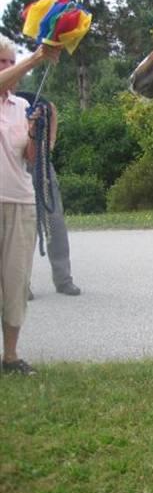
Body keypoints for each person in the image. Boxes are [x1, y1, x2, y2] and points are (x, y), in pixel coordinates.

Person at [0, 35, 61, 374]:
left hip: (20, 202)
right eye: (2, 63)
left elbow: (30, 158)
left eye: (11, 62)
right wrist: (37, 57)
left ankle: (10, 357)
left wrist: (36, 131)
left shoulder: (22, 106)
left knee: (16, 283)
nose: (8, 68)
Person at [15, 91, 81, 297]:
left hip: (41, 163)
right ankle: (21, 284)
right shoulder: (7, 105)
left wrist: (50, 142)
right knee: (24, 227)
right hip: (13, 167)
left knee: (55, 221)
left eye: (10, 63)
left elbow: (51, 108)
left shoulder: (32, 100)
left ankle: (63, 280)